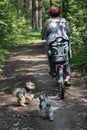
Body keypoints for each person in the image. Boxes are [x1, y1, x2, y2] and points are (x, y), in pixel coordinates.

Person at [41, 6, 72, 85]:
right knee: (67, 55)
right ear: (59, 12)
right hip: (64, 40)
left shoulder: (47, 22)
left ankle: (53, 72)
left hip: (52, 41)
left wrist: (43, 37)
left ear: (50, 13)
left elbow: (44, 32)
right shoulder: (63, 21)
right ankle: (67, 76)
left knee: (50, 55)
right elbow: (69, 31)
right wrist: (67, 35)